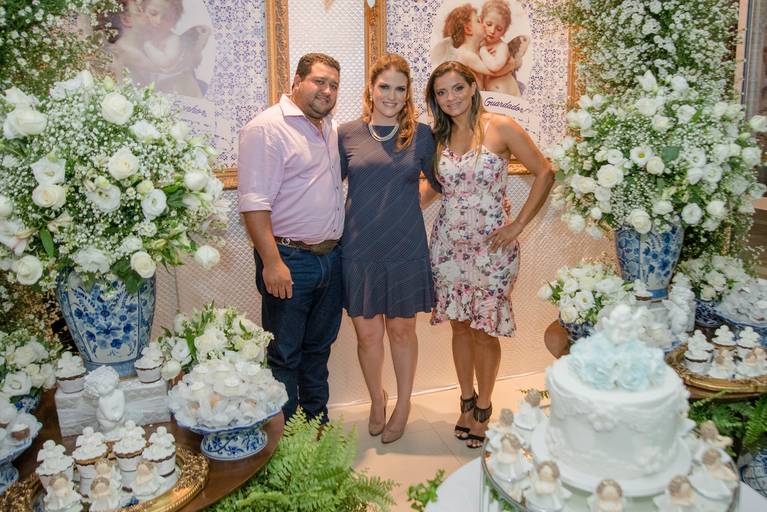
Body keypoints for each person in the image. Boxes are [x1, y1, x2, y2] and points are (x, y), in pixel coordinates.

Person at [423, 61, 553, 448]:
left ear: (472, 87)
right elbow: (431, 190)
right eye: (441, 92)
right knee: (460, 326)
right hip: (448, 247)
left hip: (492, 249)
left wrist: (517, 226)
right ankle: (465, 401)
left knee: (484, 329)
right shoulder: (437, 138)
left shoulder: (501, 127)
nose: (450, 98)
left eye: (457, 88)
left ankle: (484, 406)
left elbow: (545, 172)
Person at [338, 54, 439, 444]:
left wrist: (413, 203)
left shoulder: (422, 135)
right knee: (367, 337)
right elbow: (326, 187)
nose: (391, 96)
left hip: (404, 246)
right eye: (384, 87)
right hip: (359, 248)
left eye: (400, 88)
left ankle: (404, 403)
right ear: (371, 88)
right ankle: (376, 400)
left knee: (401, 331)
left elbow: (441, 181)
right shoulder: (347, 134)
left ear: (408, 92)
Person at [238, 53, 344, 423]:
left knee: (318, 350)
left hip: (331, 259)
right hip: (289, 260)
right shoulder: (267, 128)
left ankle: (316, 426)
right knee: (284, 355)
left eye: (333, 85)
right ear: (296, 81)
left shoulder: (329, 128)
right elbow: (253, 203)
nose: (327, 90)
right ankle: (285, 441)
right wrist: (272, 263)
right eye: (319, 81)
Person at [431, 3, 516, 87]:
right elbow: (493, 72)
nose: (483, 24)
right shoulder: (466, 54)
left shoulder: (476, 51)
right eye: (478, 21)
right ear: (468, 29)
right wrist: (510, 66)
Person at [479, 0, 528, 96]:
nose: (492, 31)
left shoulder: (502, 46)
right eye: (489, 24)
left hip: (508, 96)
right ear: (480, 21)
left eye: (499, 29)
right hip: (493, 98)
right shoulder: (479, 44)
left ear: (504, 31)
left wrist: (483, 51)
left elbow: (495, 66)